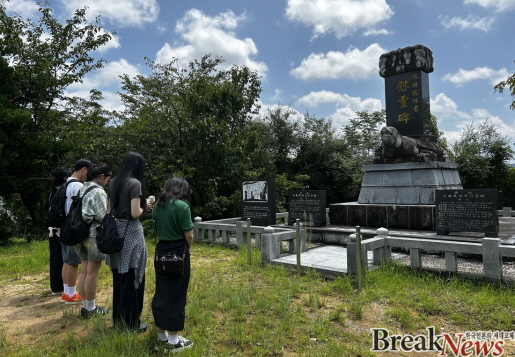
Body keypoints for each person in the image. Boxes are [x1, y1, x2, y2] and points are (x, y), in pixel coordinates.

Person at [106, 152, 150, 332]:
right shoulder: (134, 183)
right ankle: (132, 323)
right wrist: (144, 207)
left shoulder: (113, 182)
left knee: (119, 277)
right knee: (133, 277)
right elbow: (135, 213)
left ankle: (118, 320)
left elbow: (109, 210)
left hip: (115, 232)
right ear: (139, 166)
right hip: (131, 232)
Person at [151, 177, 194, 352]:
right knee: (177, 294)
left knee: (162, 291)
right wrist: (187, 250)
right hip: (178, 250)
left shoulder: (157, 206)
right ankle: (174, 341)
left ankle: (162, 336)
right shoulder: (182, 207)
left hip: (161, 250)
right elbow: (189, 235)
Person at [75, 164, 111, 318]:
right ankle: (91, 308)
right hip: (93, 235)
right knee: (92, 273)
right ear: (102, 176)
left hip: (79, 235)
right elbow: (103, 216)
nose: (108, 181)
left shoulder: (82, 188)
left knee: (84, 271)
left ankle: (85, 306)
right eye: (108, 178)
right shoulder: (98, 191)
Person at [61, 159, 92, 305]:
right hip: (73, 227)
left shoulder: (65, 183)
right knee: (73, 262)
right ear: (84, 170)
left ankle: (67, 292)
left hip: (64, 227)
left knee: (66, 261)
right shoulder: (78, 186)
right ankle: (72, 295)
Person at [47, 167, 70, 295]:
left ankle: (56, 285)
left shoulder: (53, 190)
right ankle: (57, 287)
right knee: (59, 259)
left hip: (52, 229)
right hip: (58, 229)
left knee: (55, 258)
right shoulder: (61, 190)